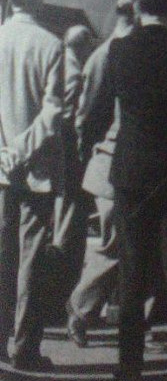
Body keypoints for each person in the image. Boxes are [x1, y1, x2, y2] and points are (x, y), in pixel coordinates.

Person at [83, 0, 167, 381]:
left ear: (139, 10)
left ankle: (129, 363)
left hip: (132, 171)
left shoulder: (119, 51)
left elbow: (101, 110)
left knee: (132, 270)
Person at [67, 0, 139, 348]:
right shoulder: (106, 55)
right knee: (112, 244)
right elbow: (86, 115)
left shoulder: (116, 53)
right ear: (135, 13)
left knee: (127, 244)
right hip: (111, 163)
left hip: (121, 163)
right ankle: (80, 310)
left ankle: (124, 315)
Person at [0, 0, 63, 371]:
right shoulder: (49, 43)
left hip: (1, 169)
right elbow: (53, 111)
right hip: (36, 168)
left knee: (1, 255)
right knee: (32, 261)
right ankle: (25, 347)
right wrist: (22, 150)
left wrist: (5, 152)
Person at [52, 24, 97, 307]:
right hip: (70, 159)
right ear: (81, 47)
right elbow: (69, 117)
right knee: (69, 224)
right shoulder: (76, 73)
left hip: (58, 160)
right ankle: (61, 292)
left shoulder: (58, 64)